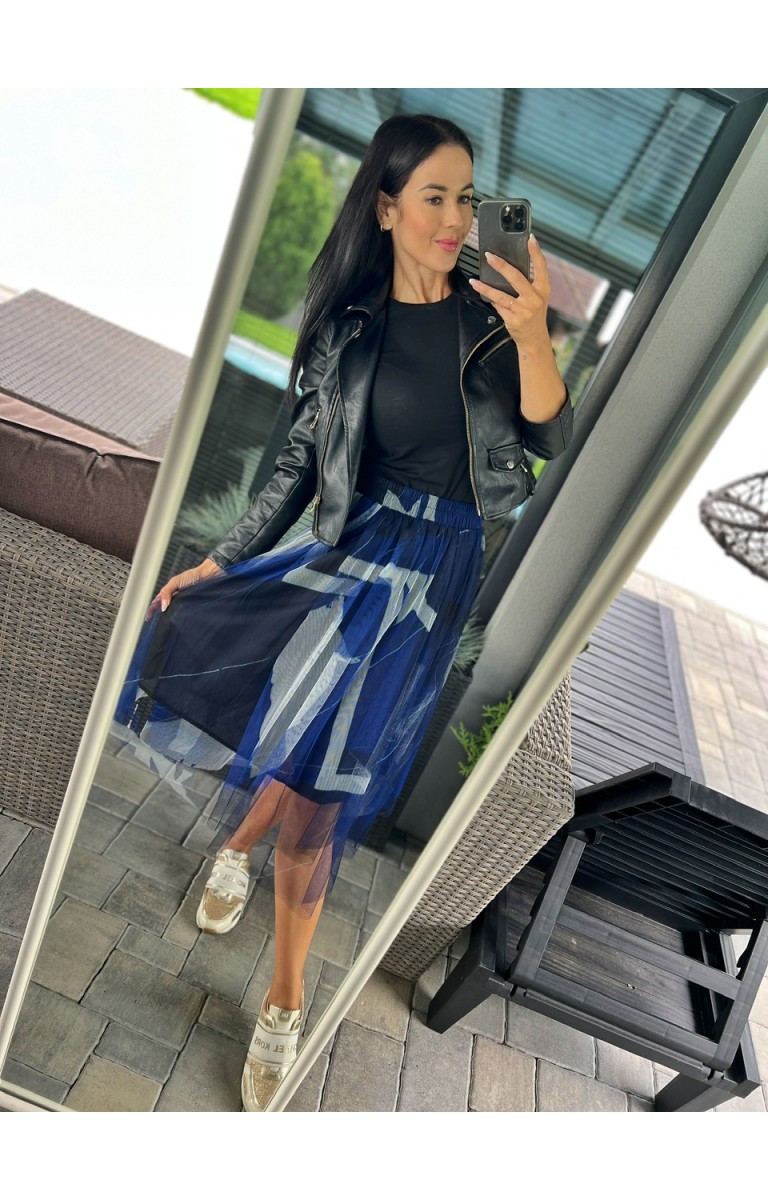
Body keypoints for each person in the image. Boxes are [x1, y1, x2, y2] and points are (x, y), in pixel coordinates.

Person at [113, 113, 573, 1111]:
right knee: (308, 753)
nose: (456, 217)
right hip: (348, 556)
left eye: (467, 197)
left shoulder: (492, 319)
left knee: (325, 775)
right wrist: (222, 560)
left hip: (433, 580)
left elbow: (549, 435)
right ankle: (276, 967)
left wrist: (536, 332)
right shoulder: (348, 331)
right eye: (435, 196)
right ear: (387, 207)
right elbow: (294, 467)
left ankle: (268, 949)